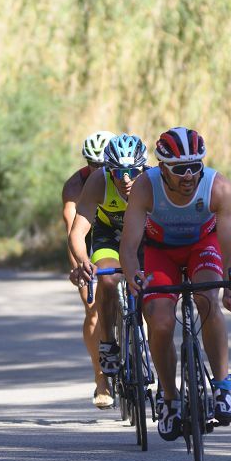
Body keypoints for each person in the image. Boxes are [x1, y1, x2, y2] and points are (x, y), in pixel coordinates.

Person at [118, 127, 231, 441]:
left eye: (195, 166)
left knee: (207, 300)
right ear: (161, 168)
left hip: (203, 246)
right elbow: (129, 244)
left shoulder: (219, 188)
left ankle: (222, 388)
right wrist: (134, 274)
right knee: (160, 321)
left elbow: (229, 246)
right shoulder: (145, 188)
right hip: (161, 253)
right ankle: (170, 400)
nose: (189, 176)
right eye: (179, 169)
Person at [68, 134, 148, 406]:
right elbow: (77, 233)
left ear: (144, 169)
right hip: (109, 236)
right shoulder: (98, 181)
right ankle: (108, 344)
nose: (126, 179)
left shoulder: (154, 181)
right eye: (118, 172)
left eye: (132, 172)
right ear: (107, 170)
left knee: (155, 293)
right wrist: (82, 261)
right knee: (110, 280)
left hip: (143, 237)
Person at [62, 130, 116, 408]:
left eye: (104, 164)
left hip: (119, 235)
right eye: (93, 164)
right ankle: (101, 380)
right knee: (93, 307)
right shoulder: (75, 186)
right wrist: (81, 274)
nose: (99, 170)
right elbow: (74, 232)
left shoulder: (128, 177)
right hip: (89, 239)